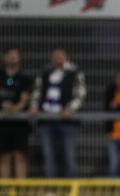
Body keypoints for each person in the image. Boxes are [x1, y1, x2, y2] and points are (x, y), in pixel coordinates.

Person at [29, 47, 86, 177]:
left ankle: (72, 191)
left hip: (67, 122)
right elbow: (36, 92)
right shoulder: (45, 73)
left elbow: (80, 95)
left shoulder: (75, 72)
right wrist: (33, 106)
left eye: (61, 56)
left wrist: (70, 108)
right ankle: (51, 192)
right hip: (47, 121)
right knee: (48, 158)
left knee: (69, 157)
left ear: (66, 58)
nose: (58, 59)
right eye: (55, 56)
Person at [0, 48, 32, 179]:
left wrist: (15, 108)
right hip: (2, 123)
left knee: (20, 157)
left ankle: (20, 193)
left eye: (15, 56)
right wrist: (3, 105)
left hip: (19, 123)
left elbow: (25, 99)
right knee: (4, 157)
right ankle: (5, 192)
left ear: (19, 59)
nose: (12, 58)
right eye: (10, 55)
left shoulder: (24, 78)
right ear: (5, 58)